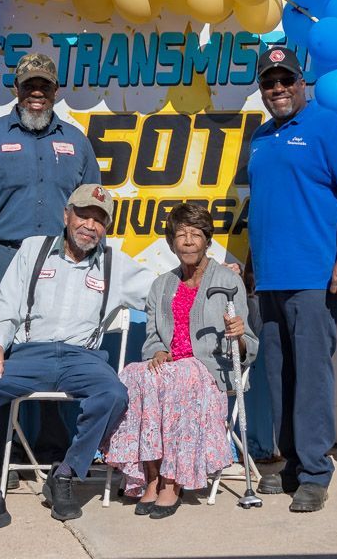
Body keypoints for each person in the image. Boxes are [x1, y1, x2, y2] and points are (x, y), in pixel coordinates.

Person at [0, 184, 156, 541]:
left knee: (114, 393)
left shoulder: (115, 262)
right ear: (66, 215)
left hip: (83, 358)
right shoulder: (34, 249)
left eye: (99, 220)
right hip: (31, 355)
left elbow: (164, 291)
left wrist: (213, 273)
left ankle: (67, 474)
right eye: (84, 215)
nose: (90, 225)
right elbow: (8, 304)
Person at [0, 52, 101, 487]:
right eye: (28, 86)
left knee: (59, 344)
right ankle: (5, 448)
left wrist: (97, 265)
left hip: (63, 260)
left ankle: (55, 446)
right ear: (16, 90)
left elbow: (95, 204)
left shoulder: (76, 141)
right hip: (3, 258)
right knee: (5, 352)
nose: (36, 94)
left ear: (56, 91)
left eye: (44, 87)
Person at [246, 47, 337, 513]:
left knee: (312, 377)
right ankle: (292, 465)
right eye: (269, 82)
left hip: (314, 278)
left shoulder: (330, 126)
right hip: (271, 279)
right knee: (278, 376)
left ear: (303, 83)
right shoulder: (261, 136)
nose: (277, 89)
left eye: (286, 80)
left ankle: (316, 473)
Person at [105, 202, 258, 519]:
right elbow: (152, 335)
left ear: (207, 240)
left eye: (196, 234)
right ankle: (150, 475)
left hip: (208, 375)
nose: (188, 240)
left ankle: (172, 482)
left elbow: (249, 347)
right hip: (170, 371)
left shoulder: (227, 282)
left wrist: (239, 335)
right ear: (171, 242)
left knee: (179, 375)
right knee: (132, 375)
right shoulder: (162, 285)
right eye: (181, 234)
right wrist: (158, 351)